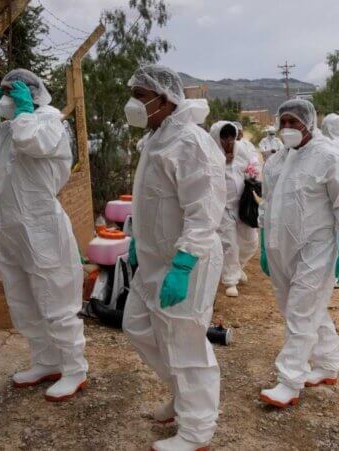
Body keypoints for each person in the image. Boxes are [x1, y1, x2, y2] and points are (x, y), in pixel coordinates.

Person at [0, 69, 87, 402]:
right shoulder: (9, 128)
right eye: (3, 92)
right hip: (12, 228)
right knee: (23, 299)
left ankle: (74, 368)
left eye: (12, 92)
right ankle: (45, 361)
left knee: (55, 298)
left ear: (30, 95)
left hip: (43, 227)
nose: (5, 98)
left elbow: (31, 142)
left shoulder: (49, 121)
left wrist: (22, 112)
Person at [122, 64, 226, 451]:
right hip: (153, 258)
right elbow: (151, 199)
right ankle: (183, 396)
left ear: (166, 100)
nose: (133, 103)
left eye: (140, 96)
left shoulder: (191, 143)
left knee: (185, 340)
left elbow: (203, 210)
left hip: (188, 259)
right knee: (137, 325)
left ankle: (197, 429)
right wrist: (137, 239)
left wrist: (183, 264)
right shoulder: (157, 137)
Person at [258, 99, 339, 408]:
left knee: (301, 311)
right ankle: (328, 363)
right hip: (280, 249)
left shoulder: (328, 157)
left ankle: (290, 380)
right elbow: (267, 206)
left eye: (294, 123)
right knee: (301, 308)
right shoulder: (275, 162)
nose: (288, 128)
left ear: (310, 123)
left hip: (317, 249)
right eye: (284, 122)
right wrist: (264, 246)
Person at [210, 121, 259, 298]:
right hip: (221, 207)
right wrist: (223, 162)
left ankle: (238, 267)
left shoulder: (242, 150)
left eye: (231, 136)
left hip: (241, 205)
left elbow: (252, 167)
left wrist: (252, 174)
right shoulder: (209, 154)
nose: (229, 141)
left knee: (250, 240)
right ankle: (231, 281)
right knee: (229, 244)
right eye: (225, 137)